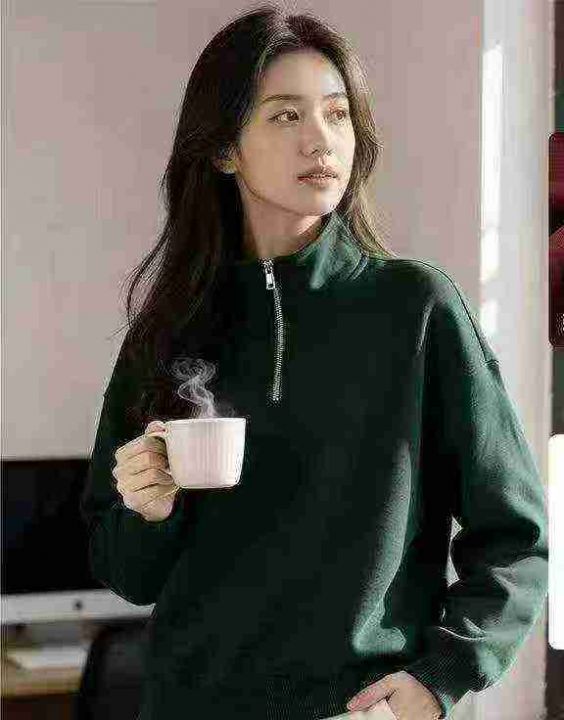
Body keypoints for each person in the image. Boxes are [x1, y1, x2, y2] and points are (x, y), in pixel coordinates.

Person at [80, 5, 549, 720]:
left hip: (355, 712)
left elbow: (516, 537)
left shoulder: (415, 308)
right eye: (285, 116)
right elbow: (126, 575)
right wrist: (148, 510)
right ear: (224, 148)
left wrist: (440, 678)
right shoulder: (168, 333)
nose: (321, 140)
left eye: (337, 114)